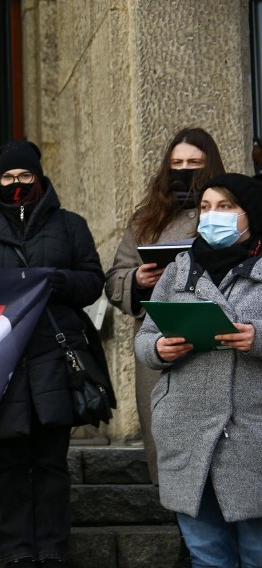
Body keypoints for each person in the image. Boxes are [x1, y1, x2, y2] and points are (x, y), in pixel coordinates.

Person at [0, 141, 105, 567]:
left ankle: (54, 547)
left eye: (23, 176)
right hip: (1, 364)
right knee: (9, 461)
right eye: (7, 177)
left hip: (54, 359)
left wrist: (55, 280)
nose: (16, 184)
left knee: (52, 460)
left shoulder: (70, 226)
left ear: (38, 179)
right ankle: (17, 549)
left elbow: (93, 281)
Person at [134, 173, 262, 567]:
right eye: (206, 208)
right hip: (187, 431)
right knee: (206, 555)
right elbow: (145, 336)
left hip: (251, 434)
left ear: (250, 214)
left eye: (225, 207)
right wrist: (159, 347)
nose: (212, 216)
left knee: (257, 552)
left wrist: (257, 339)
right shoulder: (179, 268)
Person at [105, 127, 225, 487]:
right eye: (177, 163)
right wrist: (138, 280)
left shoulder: (235, 212)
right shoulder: (146, 219)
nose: (184, 169)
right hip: (161, 346)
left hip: (219, 345)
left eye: (194, 163)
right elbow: (114, 279)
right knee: (170, 451)